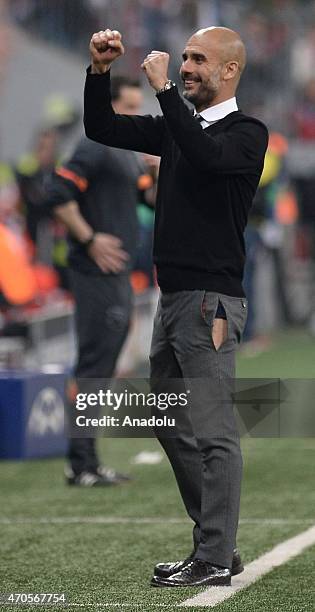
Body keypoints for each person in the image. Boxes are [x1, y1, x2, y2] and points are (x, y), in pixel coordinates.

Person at [84, 26, 268, 585]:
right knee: (167, 421)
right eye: (183, 58)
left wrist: (165, 91)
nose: (186, 67)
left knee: (214, 433)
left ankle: (214, 557)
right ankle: (215, 545)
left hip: (210, 303)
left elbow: (207, 158)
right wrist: (99, 72)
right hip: (173, 301)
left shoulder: (247, 132)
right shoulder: (178, 129)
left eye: (198, 60)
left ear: (230, 70)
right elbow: (102, 126)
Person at [47, 75, 147, 486]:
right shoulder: (95, 144)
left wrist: (159, 172)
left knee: (104, 366)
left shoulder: (127, 152)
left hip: (119, 273)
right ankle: (80, 462)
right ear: (109, 108)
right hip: (95, 273)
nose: (135, 116)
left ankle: (87, 458)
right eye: (127, 108)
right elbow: (57, 191)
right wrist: (89, 239)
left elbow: (147, 198)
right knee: (93, 364)